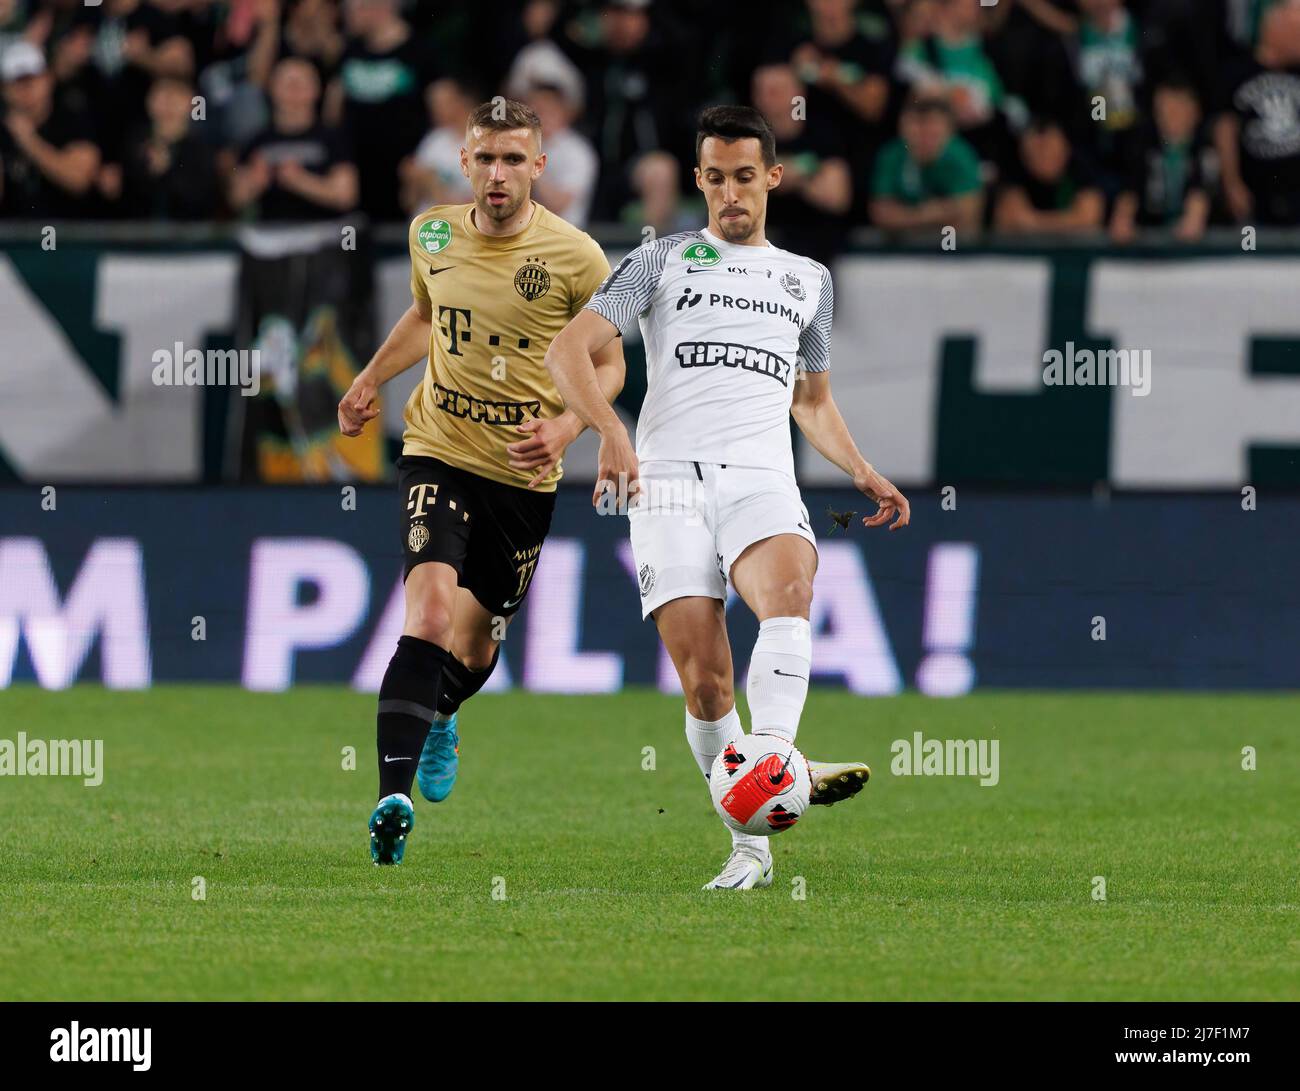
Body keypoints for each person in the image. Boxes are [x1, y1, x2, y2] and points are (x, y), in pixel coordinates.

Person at [544, 106, 911, 891]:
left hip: (761, 476)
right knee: (707, 681)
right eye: (714, 177)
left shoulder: (809, 280)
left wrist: (860, 468)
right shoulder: (659, 259)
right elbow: (568, 348)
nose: (730, 193)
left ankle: (773, 763)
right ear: (700, 179)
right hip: (666, 478)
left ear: (773, 176)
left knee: (792, 592)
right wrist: (607, 429)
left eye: (746, 176)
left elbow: (810, 399)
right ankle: (758, 836)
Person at [336, 99, 626, 866]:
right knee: (427, 615)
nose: (497, 175)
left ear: (539, 166)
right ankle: (390, 797)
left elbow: (609, 363)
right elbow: (427, 316)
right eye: (485, 159)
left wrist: (568, 427)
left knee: (473, 645)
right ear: (465, 164)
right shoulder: (432, 233)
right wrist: (370, 377)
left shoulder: (577, 258)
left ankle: (441, 718)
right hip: (438, 447)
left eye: (513, 160)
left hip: (524, 474)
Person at [0, 40, 100, 218]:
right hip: (13, 238)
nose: (25, 89)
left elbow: (79, 180)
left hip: (69, 236)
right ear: (4, 89)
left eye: (31, 79)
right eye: (16, 82)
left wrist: (28, 141)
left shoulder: (72, 117)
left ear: (48, 79)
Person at [869, 90, 985, 234]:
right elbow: (881, 214)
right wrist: (933, 213)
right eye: (917, 130)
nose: (924, 139)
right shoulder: (892, 154)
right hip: (904, 247)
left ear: (949, 132)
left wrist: (905, 217)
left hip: (949, 245)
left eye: (932, 133)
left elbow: (968, 217)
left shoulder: (960, 155)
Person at [994, 116, 1106, 233]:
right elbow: (1011, 218)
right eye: (1037, 152)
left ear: (1066, 148)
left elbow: (1088, 219)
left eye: (1051, 149)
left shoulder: (1082, 170)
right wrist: (1070, 220)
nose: (1044, 153)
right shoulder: (1014, 173)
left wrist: (1033, 222)